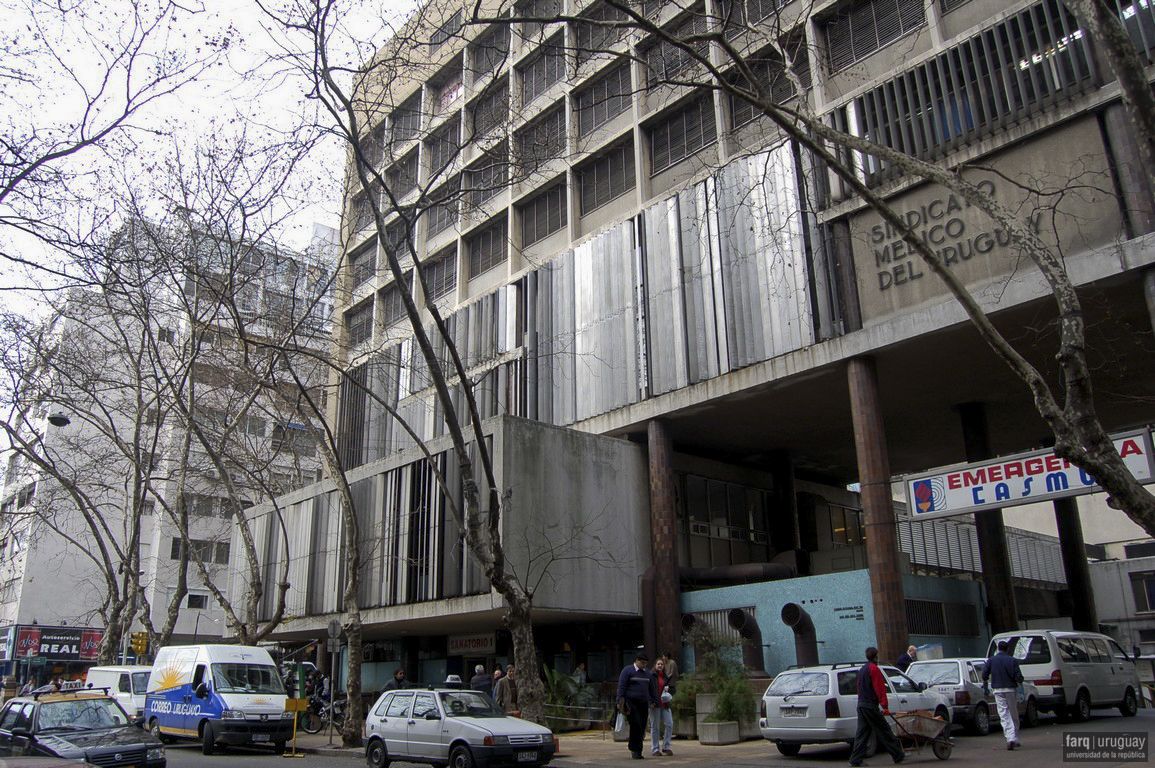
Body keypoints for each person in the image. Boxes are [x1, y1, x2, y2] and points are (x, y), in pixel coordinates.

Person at [848, 647, 905, 767]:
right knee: (884, 730)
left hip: (862, 704)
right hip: (870, 705)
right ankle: (898, 755)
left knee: (862, 733)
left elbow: (858, 687)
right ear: (876, 656)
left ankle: (855, 759)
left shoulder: (862, 669)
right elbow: (879, 688)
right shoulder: (874, 669)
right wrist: (885, 706)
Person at [982, 640, 1024, 750]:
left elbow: (984, 675)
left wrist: (985, 687)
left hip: (997, 690)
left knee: (1004, 715)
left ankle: (1011, 738)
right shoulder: (1013, 660)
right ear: (1008, 649)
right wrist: (1022, 691)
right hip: (1010, 690)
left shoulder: (991, 660)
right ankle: (1014, 738)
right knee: (1013, 713)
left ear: (998, 649)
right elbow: (1018, 677)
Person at [616, 653, 658, 760]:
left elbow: (652, 688)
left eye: (646, 663)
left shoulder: (648, 673)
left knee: (642, 726)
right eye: (642, 663)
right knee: (636, 724)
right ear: (637, 661)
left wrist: (654, 700)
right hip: (631, 702)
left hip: (643, 703)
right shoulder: (628, 671)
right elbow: (622, 686)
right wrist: (619, 700)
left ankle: (639, 749)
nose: (644, 665)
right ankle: (634, 749)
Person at [649, 657, 676, 756]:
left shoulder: (665, 677)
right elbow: (649, 689)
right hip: (655, 704)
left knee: (669, 723)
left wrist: (669, 690)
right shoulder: (652, 676)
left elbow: (673, 689)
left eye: (662, 664)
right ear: (655, 666)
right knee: (655, 726)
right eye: (658, 664)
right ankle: (655, 748)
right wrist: (651, 701)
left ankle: (666, 746)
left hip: (665, 704)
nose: (660, 666)